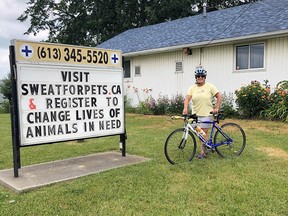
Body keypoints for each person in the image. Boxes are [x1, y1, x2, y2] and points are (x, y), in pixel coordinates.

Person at [182, 66, 222, 159]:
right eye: (198, 76)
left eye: (202, 76)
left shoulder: (210, 86)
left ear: (205, 77)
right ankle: (206, 148)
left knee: (203, 134)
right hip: (196, 115)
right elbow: (187, 98)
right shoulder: (192, 88)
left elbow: (219, 96)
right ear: (196, 77)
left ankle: (203, 153)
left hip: (207, 114)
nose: (200, 77)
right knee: (200, 134)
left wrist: (216, 107)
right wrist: (185, 108)